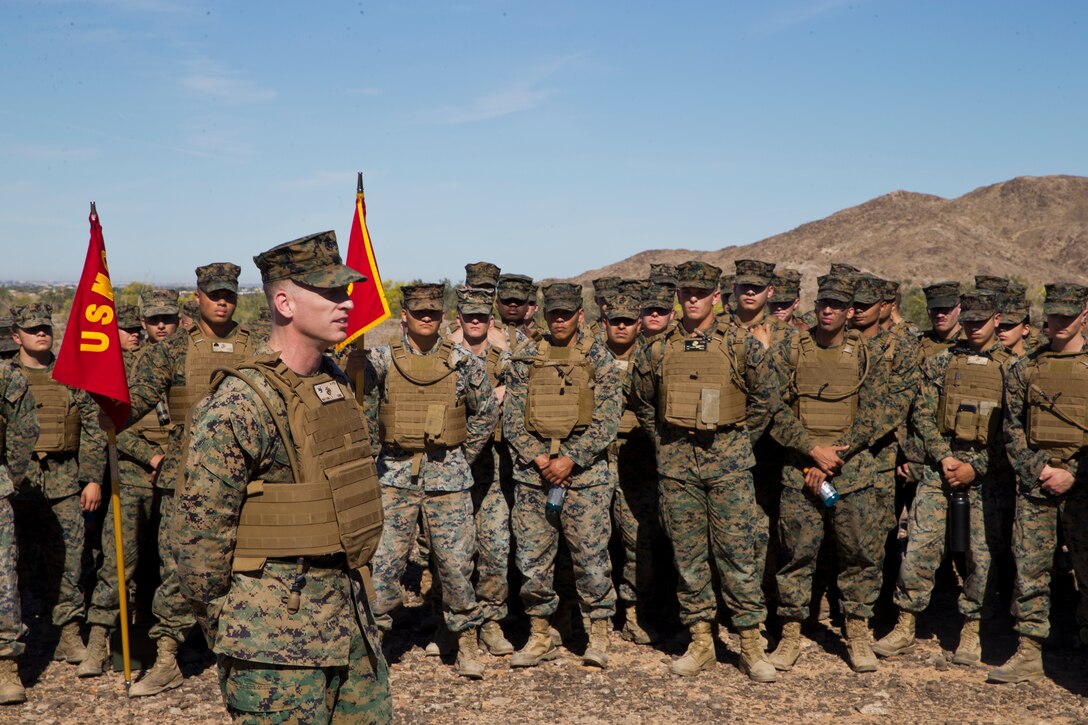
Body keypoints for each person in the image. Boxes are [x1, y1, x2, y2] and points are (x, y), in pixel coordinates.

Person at [173, 230, 391, 721]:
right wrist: (232, 628)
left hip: (350, 624)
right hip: (275, 645)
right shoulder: (240, 402)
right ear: (285, 303)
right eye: (330, 292)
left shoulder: (333, 381)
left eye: (345, 291)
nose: (346, 303)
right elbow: (198, 539)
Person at [632, 261, 832, 682]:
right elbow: (644, 402)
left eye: (700, 293)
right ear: (678, 297)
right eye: (686, 293)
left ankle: (750, 645)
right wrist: (666, 442)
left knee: (739, 556)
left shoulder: (742, 344)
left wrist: (738, 441)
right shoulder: (657, 348)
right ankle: (701, 642)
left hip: (730, 468)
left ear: (715, 297)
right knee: (689, 558)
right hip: (677, 470)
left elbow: (766, 399)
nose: (692, 300)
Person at [124, 264, 255, 697]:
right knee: (178, 568)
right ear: (197, 298)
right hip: (186, 476)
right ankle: (167, 658)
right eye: (214, 294)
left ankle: (240, 655)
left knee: (247, 565)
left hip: (249, 477)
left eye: (229, 295)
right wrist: (105, 398)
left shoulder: (256, 345)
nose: (222, 302)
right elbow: (134, 400)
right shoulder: (172, 349)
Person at [363, 283, 498, 680]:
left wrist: (460, 455)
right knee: (384, 565)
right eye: (418, 311)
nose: (426, 317)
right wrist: (375, 454)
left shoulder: (462, 362)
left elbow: (486, 412)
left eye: (433, 312)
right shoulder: (380, 360)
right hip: (394, 478)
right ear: (404, 315)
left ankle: (465, 641)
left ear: (442, 317)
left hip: (448, 480)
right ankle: (376, 644)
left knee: (456, 566)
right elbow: (362, 404)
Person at [766, 273, 899, 673]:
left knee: (859, 555)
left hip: (851, 472)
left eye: (838, 305)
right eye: (824, 303)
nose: (828, 310)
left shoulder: (867, 355)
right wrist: (812, 452)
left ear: (849, 311)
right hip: (801, 470)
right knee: (796, 555)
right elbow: (773, 409)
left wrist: (834, 457)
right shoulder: (789, 350)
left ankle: (857, 634)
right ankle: (790, 635)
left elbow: (875, 413)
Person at [874, 290, 1014, 666]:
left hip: (988, 477)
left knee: (980, 557)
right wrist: (945, 456)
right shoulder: (942, 362)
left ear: (996, 320)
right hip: (941, 470)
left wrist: (976, 466)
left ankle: (971, 630)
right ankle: (905, 624)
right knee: (919, 548)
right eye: (968, 320)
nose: (973, 327)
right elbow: (922, 411)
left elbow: (1016, 429)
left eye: (980, 321)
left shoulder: (1013, 368)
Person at [504, 282, 622, 669]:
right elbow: (512, 420)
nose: (559, 320)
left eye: (566, 314)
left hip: (584, 478)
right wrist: (542, 461)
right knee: (533, 561)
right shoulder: (526, 357)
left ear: (580, 315)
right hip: (534, 477)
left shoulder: (599, 358)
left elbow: (607, 421)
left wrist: (571, 460)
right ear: (543, 314)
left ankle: (598, 635)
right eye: (553, 313)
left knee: (591, 559)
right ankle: (540, 634)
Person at [988, 283, 1088, 684]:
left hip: (1083, 487)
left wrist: (1075, 473)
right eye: (1054, 314)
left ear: (1084, 316)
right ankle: (1029, 650)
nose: (1060, 322)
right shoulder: (1025, 367)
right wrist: (1038, 470)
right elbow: (1011, 428)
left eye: (1069, 315)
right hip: (1037, 485)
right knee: (1030, 572)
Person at [81, 293, 179, 677]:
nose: (161, 326)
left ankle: (167, 645)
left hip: (179, 476)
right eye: (154, 320)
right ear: (143, 321)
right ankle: (97, 641)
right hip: (135, 477)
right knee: (119, 563)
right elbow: (109, 425)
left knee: (170, 566)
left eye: (168, 318)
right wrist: (152, 457)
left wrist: (174, 460)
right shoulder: (123, 367)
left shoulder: (187, 360)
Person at [10, 303, 105, 665]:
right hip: (17, 484)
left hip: (64, 480)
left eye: (45, 328)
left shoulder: (70, 375)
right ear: (16, 336)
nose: (40, 333)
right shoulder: (6, 377)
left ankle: (68, 633)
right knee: (13, 563)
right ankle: (15, 638)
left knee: (69, 561)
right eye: (32, 329)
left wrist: (92, 478)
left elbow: (93, 429)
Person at [455, 286, 518, 656]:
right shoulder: (446, 359)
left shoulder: (506, 361)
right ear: (459, 319)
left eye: (481, 317)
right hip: (454, 468)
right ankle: (453, 624)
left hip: (494, 467)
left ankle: (492, 622)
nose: (475, 322)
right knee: (454, 553)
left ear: (490, 321)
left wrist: (507, 389)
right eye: (469, 317)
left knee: (495, 547)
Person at [602, 292, 659, 644]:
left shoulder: (652, 357)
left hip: (636, 459)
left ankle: (634, 613)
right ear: (605, 323)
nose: (621, 327)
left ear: (638, 324)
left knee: (639, 542)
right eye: (615, 321)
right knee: (591, 543)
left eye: (627, 321)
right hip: (594, 459)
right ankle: (593, 616)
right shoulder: (590, 357)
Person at [0, 360, 38, 704]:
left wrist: (9, 477)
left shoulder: (5, 376)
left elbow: (23, 430)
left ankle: (5, 666)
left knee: (2, 581)